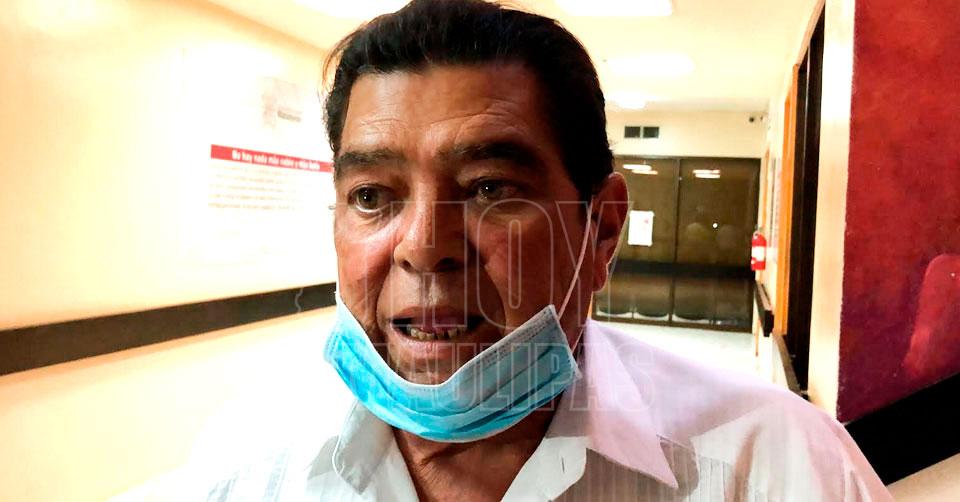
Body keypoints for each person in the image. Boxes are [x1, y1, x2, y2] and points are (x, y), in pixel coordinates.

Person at [202, 0, 892, 500]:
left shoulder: (782, 469)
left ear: (602, 230)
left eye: (488, 188)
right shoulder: (244, 470)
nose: (424, 248)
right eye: (372, 195)